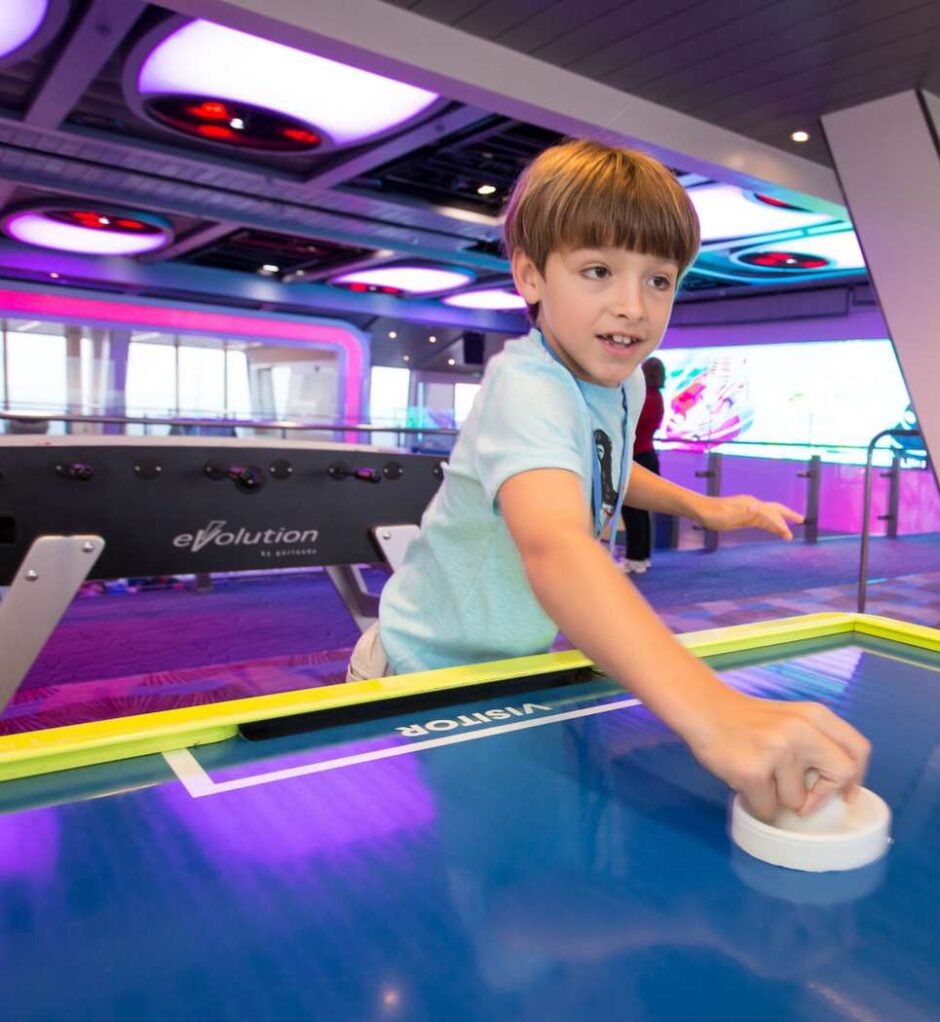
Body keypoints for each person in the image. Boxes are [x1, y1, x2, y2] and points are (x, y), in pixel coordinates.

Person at [349, 140, 869, 820]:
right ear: (531, 276)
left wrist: (704, 507)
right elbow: (555, 544)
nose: (633, 305)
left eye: (659, 280)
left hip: (509, 667)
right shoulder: (527, 384)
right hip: (422, 675)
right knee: (487, 888)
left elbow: (605, 475)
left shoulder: (617, 384)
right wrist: (717, 714)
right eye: (598, 270)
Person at [619, 356, 665, 574]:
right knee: (642, 512)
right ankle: (642, 557)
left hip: (636, 457)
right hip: (649, 456)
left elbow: (630, 425)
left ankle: (634, 558)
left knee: (631, 511)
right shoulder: (658, 398)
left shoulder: (644, 398)